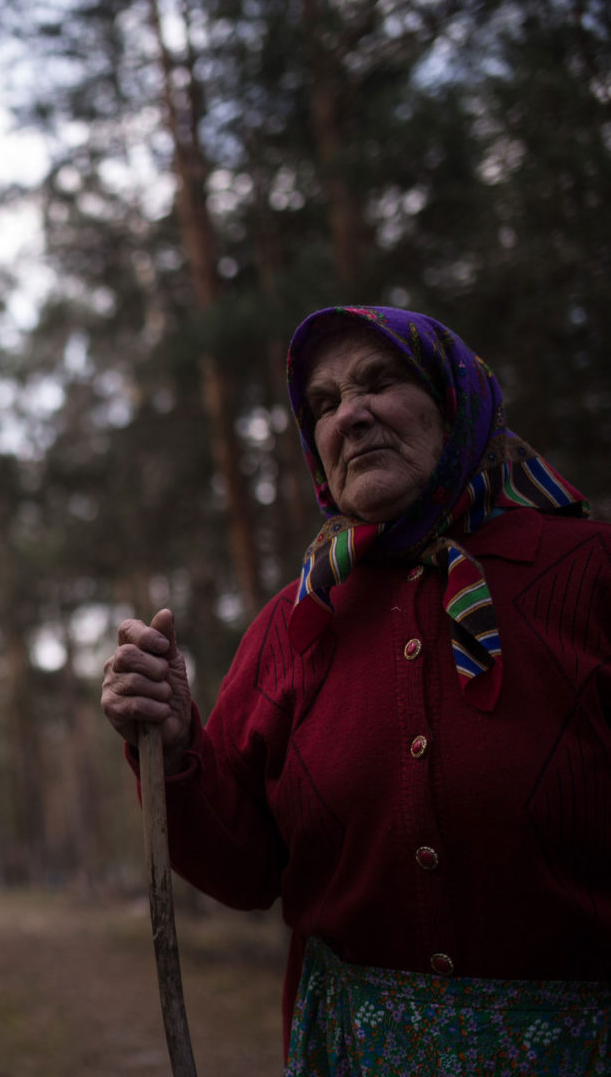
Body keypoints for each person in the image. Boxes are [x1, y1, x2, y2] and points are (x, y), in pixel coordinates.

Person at [101, 305, 611, 1072]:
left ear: (454, 400)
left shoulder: (588, 573)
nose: (352, 415)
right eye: (325, 404)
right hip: (351, 1053)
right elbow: (245, 870)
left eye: (380, 382)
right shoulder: (293, 624)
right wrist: (175, 747)